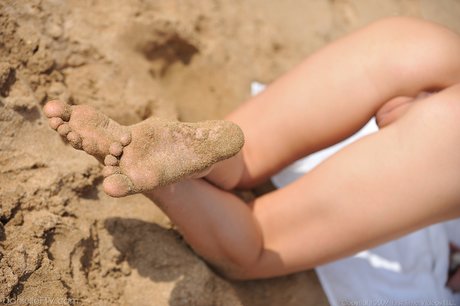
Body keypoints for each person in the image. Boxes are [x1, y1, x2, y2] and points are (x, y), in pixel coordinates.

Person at [44, 17, 460, 290]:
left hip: (423, 49)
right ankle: (172, 181)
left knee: (250, 148)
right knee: (257, 245)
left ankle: (214, 159)